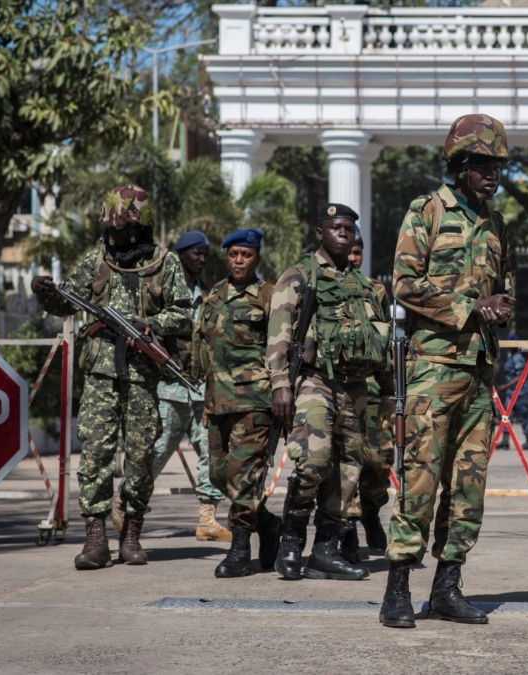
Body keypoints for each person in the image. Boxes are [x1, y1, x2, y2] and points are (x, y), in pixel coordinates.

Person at [380, 113, 516, 629]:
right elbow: (405, 284)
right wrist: (469, 307)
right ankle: (397, 589)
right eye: (482, 165)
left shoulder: (496, 223)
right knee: (420, 479)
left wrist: (501, 308)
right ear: (459, 165)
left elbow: (504, 288)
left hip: (478, 372)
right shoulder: (427, 211)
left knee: (469, 486)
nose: (491, 175)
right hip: (432, 370)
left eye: (497, 166)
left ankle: (447, 587)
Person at [31, 184, 192, 570]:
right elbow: (67, 301)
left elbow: (184, 313)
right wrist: (44, 293)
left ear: (140, 228)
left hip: (142, 374)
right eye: (111, 229)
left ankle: (131, 533)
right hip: (101, 372)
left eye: (122, 230)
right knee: (96, 453)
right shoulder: (96, 261)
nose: (115, 237)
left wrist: (148, 324)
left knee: (139, 456)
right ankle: (95, 538)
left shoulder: (164, 263)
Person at [267, 203, 390, 582]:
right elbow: (279, 335)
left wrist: (389, 396)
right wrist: (280, 385)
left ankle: (325, 550)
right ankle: (290, 543)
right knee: (312, 463)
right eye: (335, 227)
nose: (343, 233)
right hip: (313, 382)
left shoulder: (367, 287)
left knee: (348, 471)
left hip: (355, 388)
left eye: (349, 229)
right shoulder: (299, 277)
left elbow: (382, 345)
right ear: (320, 232)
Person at [132, 230, 230, 543]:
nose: (201, 259)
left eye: (205, 254)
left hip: (201, 388)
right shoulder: (160, 293)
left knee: (211, 454)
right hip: (169, 387)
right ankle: (129, 509)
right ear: (180, 255)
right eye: (195, 253)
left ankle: (208, 520)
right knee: (156, 452)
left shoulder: (209, 294)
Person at [195, 228, 282, 578]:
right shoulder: (214, 295)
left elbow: (281, 349)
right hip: (217, 402)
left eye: (246, 255)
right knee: (220, 476)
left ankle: (240, 549)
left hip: (254, 401)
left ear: (256, 257)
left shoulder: (269, 296)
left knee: (244, 477)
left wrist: (279, 393)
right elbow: (204, 349)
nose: (239, 260)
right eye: (233, 255)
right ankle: (269, 524)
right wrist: (204, 399)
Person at [345, 228, 392, 556]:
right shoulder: (319, 287)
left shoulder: (376, 289)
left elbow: (387, 342)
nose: (352, 257)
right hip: (338, 390)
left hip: (374, 392)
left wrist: (391, 392)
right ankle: (346, 525)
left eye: (357, 251)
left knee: (377, 461)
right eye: (348, 250)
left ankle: (372, 513)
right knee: (343, 461)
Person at [497, 333, 528, 450]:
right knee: (507, 415)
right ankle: (505, 440)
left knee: (523, 415)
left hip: (522, 392)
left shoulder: (518, 358)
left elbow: (520, 376)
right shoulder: (511, 357)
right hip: (512, 392)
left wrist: (505, 386)